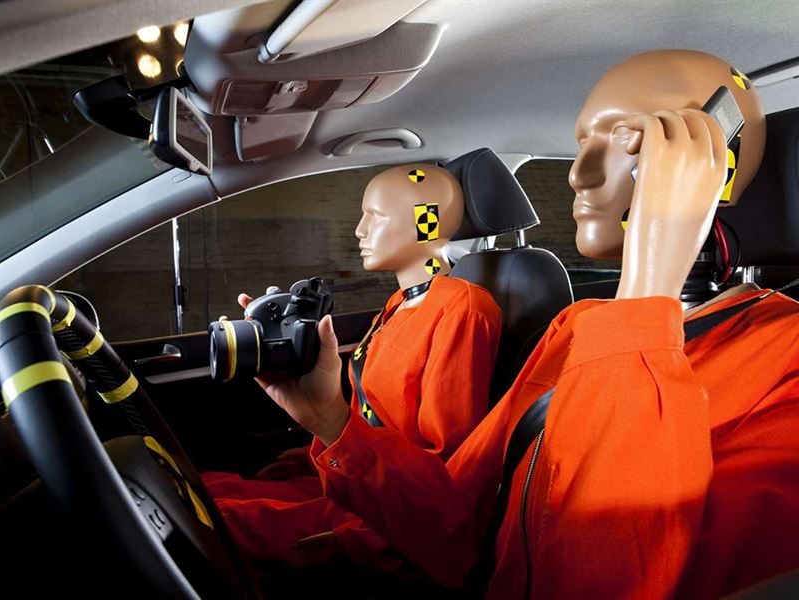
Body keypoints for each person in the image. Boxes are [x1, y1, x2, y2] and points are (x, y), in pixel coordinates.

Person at [255, 49, 799, 598]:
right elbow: (458, 517)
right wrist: (332, 420)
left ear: (714, 164)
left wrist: (649, 286)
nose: (577, 174)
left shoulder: (787, 362)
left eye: (626, 137)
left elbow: (607, 575)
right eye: (582, 143)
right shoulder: (578, 325)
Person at [202, 164, 502, 572]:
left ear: (425, 222)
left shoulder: (460, 309)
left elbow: (450, 471)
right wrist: (320, 454)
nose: (359, 231)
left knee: (215, 524)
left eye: (375, 216)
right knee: (206, 488)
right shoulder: (398, 305)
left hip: (393, 512)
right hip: (361, 479)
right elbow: (379, 416)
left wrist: (365, 541)